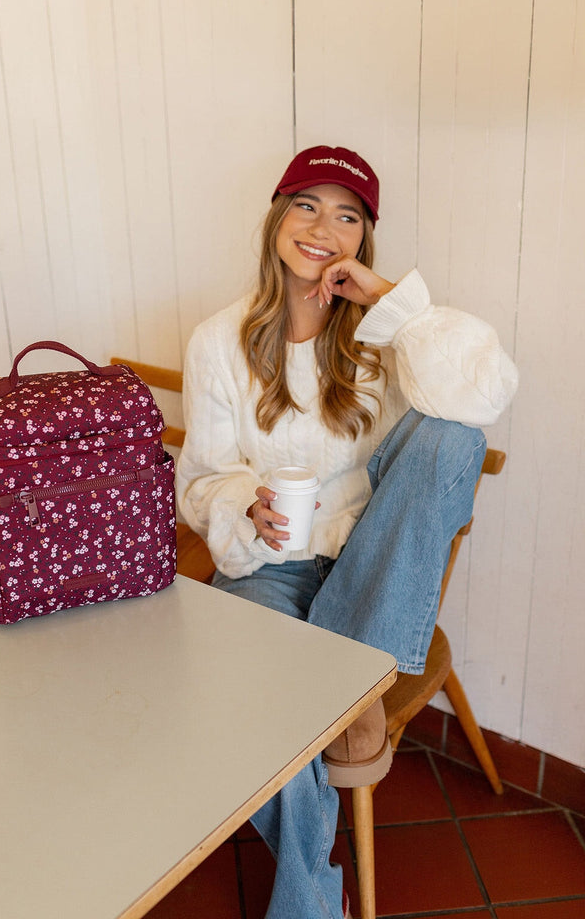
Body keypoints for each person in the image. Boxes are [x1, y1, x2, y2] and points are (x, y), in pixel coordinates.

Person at [175, 145, 518, 919]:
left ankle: (346, 660)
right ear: (276, 217)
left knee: (454, 437)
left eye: (348, 215)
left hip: (370, 572)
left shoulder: (384, 337)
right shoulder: (217, 341)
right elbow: (199, 480)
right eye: (308, 205)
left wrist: (395, 303)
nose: (324, 226)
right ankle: (345, 696)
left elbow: (485, 393)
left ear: (365, 238)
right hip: (268, 569)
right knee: (256, 700)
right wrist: (243, 509)